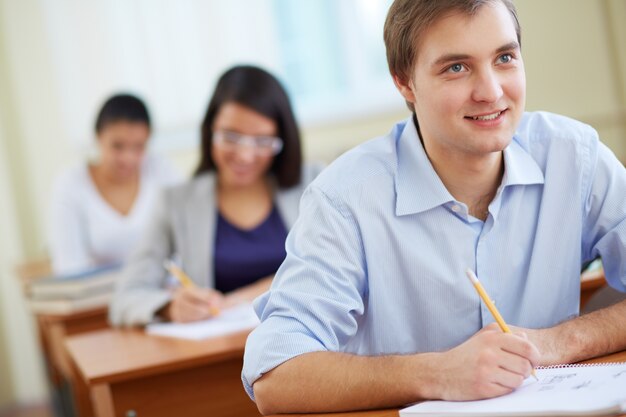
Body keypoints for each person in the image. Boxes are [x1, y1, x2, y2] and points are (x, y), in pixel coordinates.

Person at [242, 0, 626, 414]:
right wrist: (440, 374)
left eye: (504, 58)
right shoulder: (344, 198)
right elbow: (274, 376)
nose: (492, 91)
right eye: (456, 67)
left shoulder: (575, 157)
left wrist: (556, 342)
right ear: (405, 83)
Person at [109, 65, 321, 326]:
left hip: (310, 343)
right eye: (231, 137)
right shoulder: (176, 202)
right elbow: (125, 297)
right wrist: (170, 307)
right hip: (222, 351)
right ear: (210, 131)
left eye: (262, 141)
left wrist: (250, 295)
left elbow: (333, 270)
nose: (245, 155)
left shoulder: (315, 184)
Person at [49, 93, 180, 275]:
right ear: (98, 137)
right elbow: (69, 268)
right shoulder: (71, 184)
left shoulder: (162, 170)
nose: (128, 158)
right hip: (101, 299)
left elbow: (185, 243)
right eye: (118, 146)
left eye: (139, 147)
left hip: (162, 291)